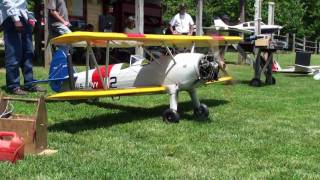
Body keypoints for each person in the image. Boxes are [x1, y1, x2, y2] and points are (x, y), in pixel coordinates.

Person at [0, 0, 45, 95]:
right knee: (14, 53)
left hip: (23, 17)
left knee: (28, 52)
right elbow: (6, 2)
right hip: (11, 18)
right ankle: (13, 86)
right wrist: (16, 19)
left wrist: (29, 17)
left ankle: (29, 83)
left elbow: (22, 4)